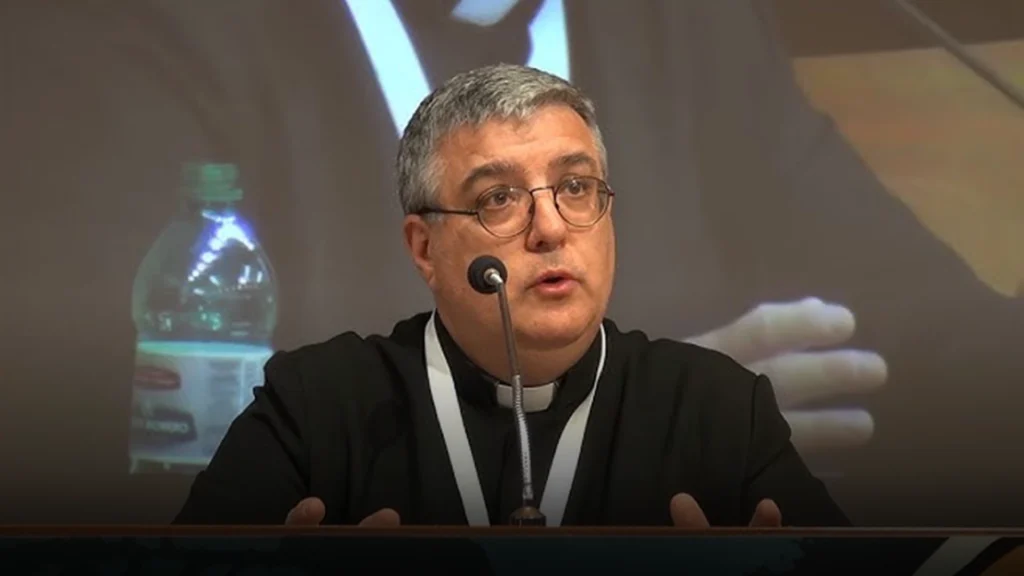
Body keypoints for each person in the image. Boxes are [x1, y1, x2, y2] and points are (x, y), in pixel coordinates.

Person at [173, 63, 849, 527]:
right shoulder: (317, 406)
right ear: (424, 248)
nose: (550, 227)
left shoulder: (720, 410)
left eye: (576, 187)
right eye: (498, 198)